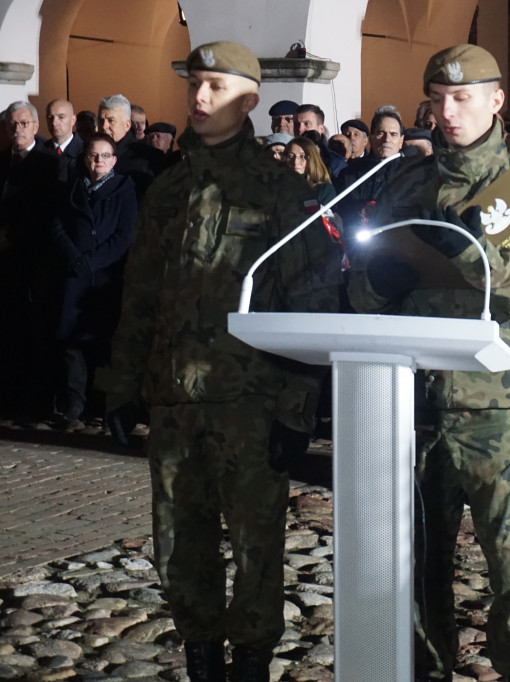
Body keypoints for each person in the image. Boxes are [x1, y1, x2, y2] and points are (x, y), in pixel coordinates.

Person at [99, 41, 340, 682]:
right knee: (179, 546)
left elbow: (310, 304)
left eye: (215, 86)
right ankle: (202, 658)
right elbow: (142, 294)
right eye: (194, 85)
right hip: (176, 399)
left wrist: (298, 407)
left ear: (251, 99)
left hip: (250, 406)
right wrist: (121, 384)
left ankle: (251, 665)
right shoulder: (170, 189)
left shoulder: (283, 192)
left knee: (257, 550)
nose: (199, 98)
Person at [347, 43, 510, 682]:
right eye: (439, 99)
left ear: (496, 101)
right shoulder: (405, 183)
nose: (448, 112)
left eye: (463, 98)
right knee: (414, 567)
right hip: (411, 402)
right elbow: (364, 283)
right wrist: (376, 285)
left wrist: (477, 257)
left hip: (496, 408)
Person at [47, 133, 137, 430]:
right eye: (93, 155)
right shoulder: (71, 187)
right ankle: (74, 405)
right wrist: (74, 258)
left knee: (103, 344)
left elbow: (124, 234)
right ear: (86, 158)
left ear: (114, 160)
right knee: (72, 343)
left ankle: (101, 407)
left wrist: (94, 261)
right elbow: (57, 225)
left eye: (104, 156)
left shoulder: (124, 188)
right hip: (74, 275)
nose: (98, 161)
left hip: (105, 278)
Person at [0, 101, 60, 422]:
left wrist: (16, 236)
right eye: (12, 124)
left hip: (34, 261)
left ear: (36, 127)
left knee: (34, 334)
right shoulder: (2, 162)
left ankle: (35, 403)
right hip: (4, 264)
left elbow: (47, 212)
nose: (18, 129)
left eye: (24, 123)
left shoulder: (49, 163)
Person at [284, 135, 336, 205]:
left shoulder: (323, 189)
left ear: (312, 159)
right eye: (290, 156)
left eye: (302, 156)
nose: (295, 162)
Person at [45, 98, 82, 181]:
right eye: (50, 117)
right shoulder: (39, 151)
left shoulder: (85, 152)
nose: (54, 123)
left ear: (73, 120)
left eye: (61, 117)